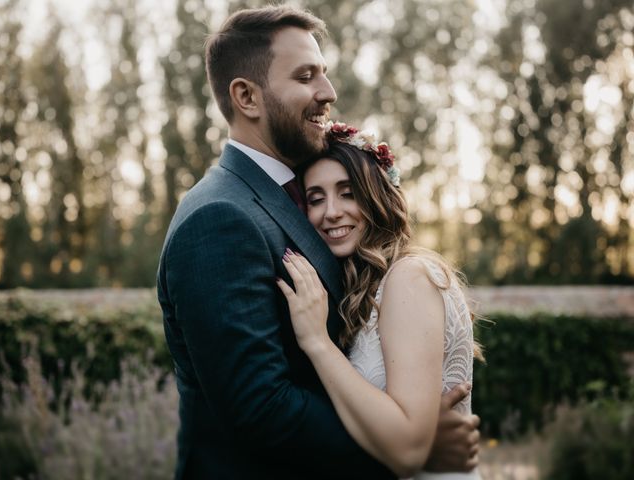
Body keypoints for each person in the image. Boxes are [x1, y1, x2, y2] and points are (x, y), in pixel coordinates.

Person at [157, 5, 479, 480]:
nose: (328, 93)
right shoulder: (220, 217)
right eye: (306, 76)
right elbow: (261, 408)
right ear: (247, 96)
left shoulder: (282, 201)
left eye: (324, 75)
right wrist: (408, 444)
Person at [276, 122, 483, 479]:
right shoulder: (366, 292)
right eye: (316, 199)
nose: (331, 212)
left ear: (377, 196)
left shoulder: (409, 278)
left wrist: (316, 343)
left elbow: (406, 451)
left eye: (348, 192)